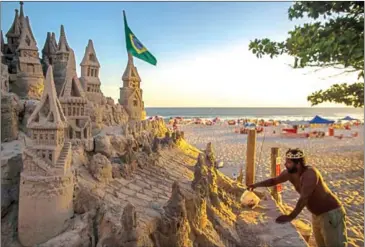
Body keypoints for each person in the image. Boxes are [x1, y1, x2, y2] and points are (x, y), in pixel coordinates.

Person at [247, 148, 348, 247]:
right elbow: (274, 181)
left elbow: (304, 198)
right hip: (316, 215)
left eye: (289, 162)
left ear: (298, 164)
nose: (285, 164)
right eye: (286, 161)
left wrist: (291, 216)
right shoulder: (289, 173)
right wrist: (255, 185)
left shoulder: (310, 174)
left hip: (330, 214)